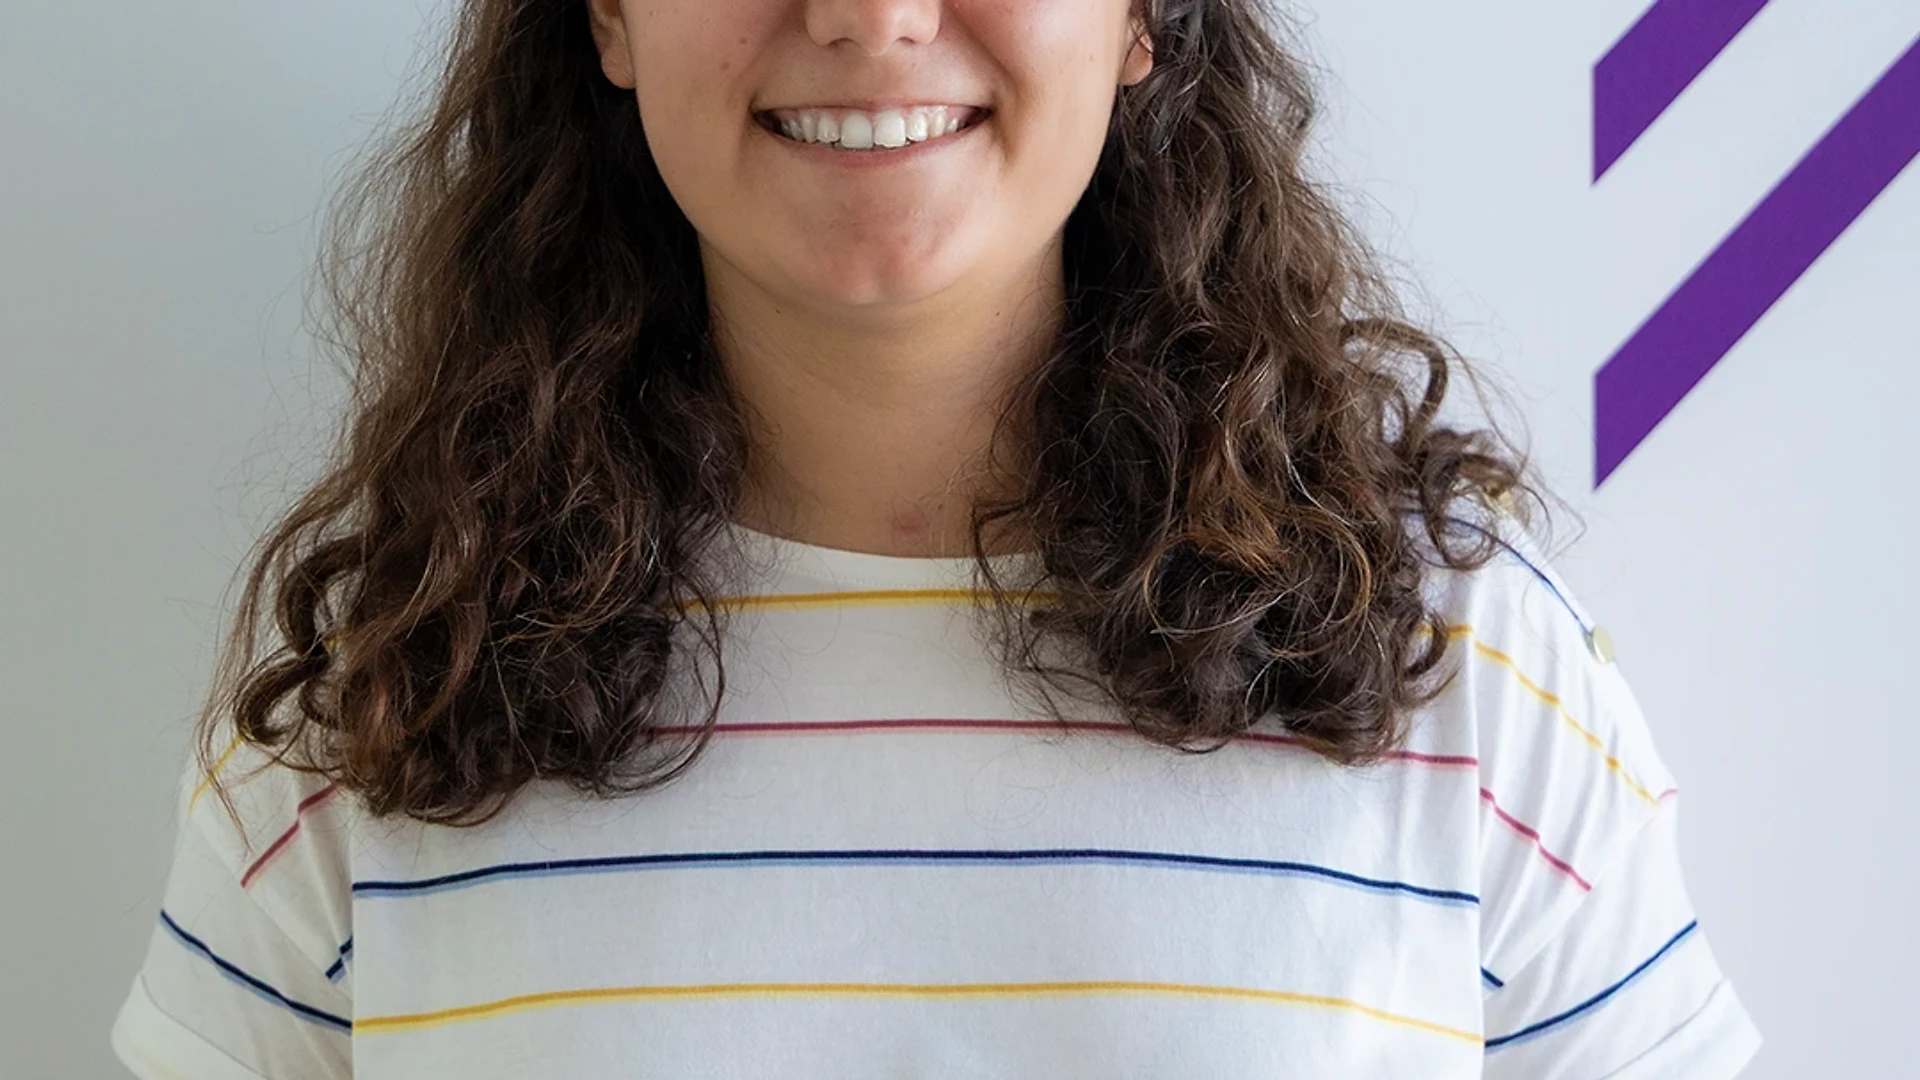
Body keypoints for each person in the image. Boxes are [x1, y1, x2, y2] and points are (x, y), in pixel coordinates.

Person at [108, 0, 1762, 1076]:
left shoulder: (1457, 666)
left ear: (1144, 20)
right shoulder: (379, 699)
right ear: (605, 16)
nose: (866, 16)